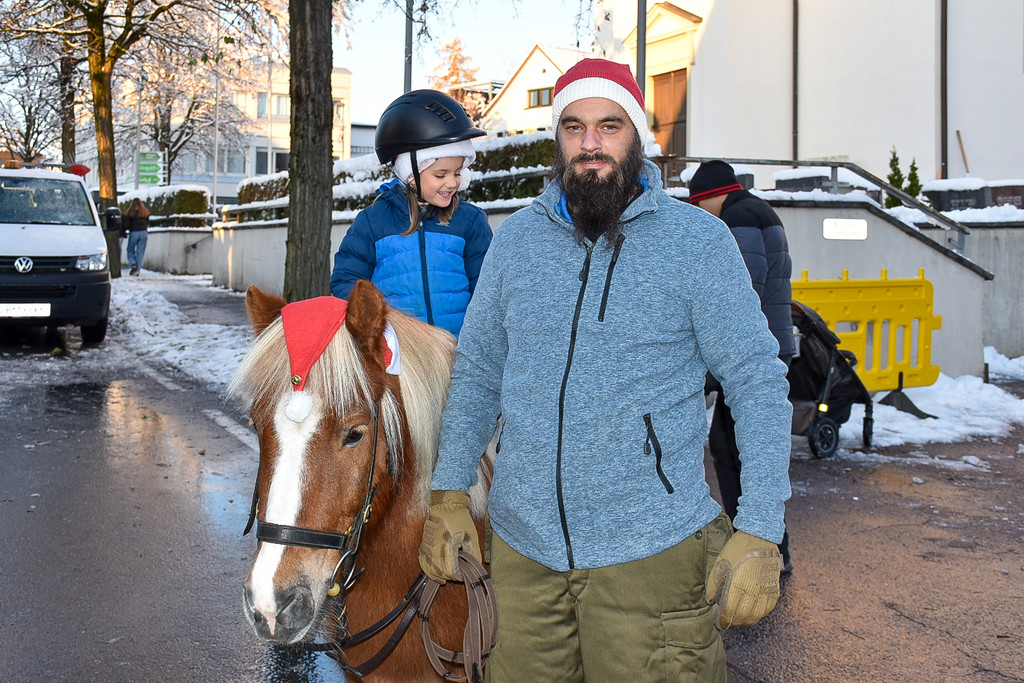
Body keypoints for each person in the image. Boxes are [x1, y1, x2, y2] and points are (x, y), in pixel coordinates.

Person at [417, 58, 792, 681]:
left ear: (638, 138)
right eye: (573, 126)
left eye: (609, 125)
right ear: (557, 139)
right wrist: (450, 488)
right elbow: (480, 370)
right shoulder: (516, 241)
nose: (590, 144)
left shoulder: (696, 243)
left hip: (652, 557)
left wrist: (760, 526)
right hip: (523, 556)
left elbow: (756, 381)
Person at [689, 160, 795, 574]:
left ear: (709, 197)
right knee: (736, 448)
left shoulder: (737, 220)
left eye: (699, 206)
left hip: (749, 355)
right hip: (771, 344)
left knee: (733, 450)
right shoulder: (760, 209)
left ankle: (760, 546)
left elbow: (739, 292)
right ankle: (765, 543)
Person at [329, 90, 492, 338]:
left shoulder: (470, 221)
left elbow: (486, 291)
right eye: (440, 174)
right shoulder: (373, 222)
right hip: (398, 362)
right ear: (409, 173)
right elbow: (346, 284)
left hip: (455, 356)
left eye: (458, 172)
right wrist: (374, 333)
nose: (452, 183)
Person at [123, 198, 150, 276]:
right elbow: (148, 222)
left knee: (130, 250)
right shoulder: (145, 212)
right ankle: (137, 270)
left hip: (134, 232)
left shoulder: (130, 212)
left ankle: (133, 263)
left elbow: (127, 224)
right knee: (140, 252)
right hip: (144, 232)